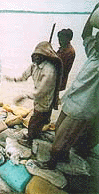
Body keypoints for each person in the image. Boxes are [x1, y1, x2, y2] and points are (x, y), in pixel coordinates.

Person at [37, 3, 99, 170]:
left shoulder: (71, 52)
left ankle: (52, 163)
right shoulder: (94, 52)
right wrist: (94, 9)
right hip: (72, 99)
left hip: (83, 107)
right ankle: (62, 155)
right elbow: (86, 34)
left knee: (63, 137)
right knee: (59, 129)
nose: (96, 39)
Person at [5, 41, 62, 148]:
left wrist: (24, 96)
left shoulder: (49, 70)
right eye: (34, 55)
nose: (35, 57)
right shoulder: (34, 66)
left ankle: (30, 140)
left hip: (45, 98)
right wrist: (12, 79)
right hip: (38, 97)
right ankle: (37, 133)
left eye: (38, 55)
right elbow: (24, 76)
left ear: (44, 56)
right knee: (39, 118)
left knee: (35, 120)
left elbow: (41, 91)